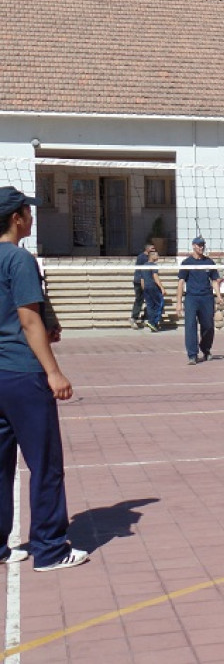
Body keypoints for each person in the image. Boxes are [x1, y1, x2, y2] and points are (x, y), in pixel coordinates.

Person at [0, 186, 89, 571]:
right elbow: (28, 318)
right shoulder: (19, 260)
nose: (33, 218)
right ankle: (51, 549)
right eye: (29, 213)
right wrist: (53, 371)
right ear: (17, 218)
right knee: (46, 464)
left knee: (0, 465)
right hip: (22, 374)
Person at [176, 236, 222, 365]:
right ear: (193, 246)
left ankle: (206, 349)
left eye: (203, 245)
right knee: (190, 326)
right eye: (199, 245)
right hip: (191, 297)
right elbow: (180, 283)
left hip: (207, 297)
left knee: (208, 326)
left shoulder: (209, 262)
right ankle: (192, 355)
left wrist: (219, 296)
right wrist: (178, 303)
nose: (201, 247)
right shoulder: (186, 263)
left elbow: (214, 280)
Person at [141, 248, 165, 332]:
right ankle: (153, 322)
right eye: (157, 255)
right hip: (153, 287)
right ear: (152, 256)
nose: (158, 256)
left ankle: (152, 324)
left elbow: (142, 279)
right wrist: (162, 288)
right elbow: (155, 277)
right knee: (160, 304)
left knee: (150, 305)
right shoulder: (153, 265)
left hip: (146, 287)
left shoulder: (143, 266)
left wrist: (144, 289)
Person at [130, 243, 153, 329]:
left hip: (147, 281)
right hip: (139, 281)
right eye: (152, 249)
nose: (154, 250)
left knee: (149, 300)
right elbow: (141, 271)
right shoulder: (142, 257)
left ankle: (145, 318)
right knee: (139, 299)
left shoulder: (150, 258)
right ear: (147, 249)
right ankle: (134, 318)